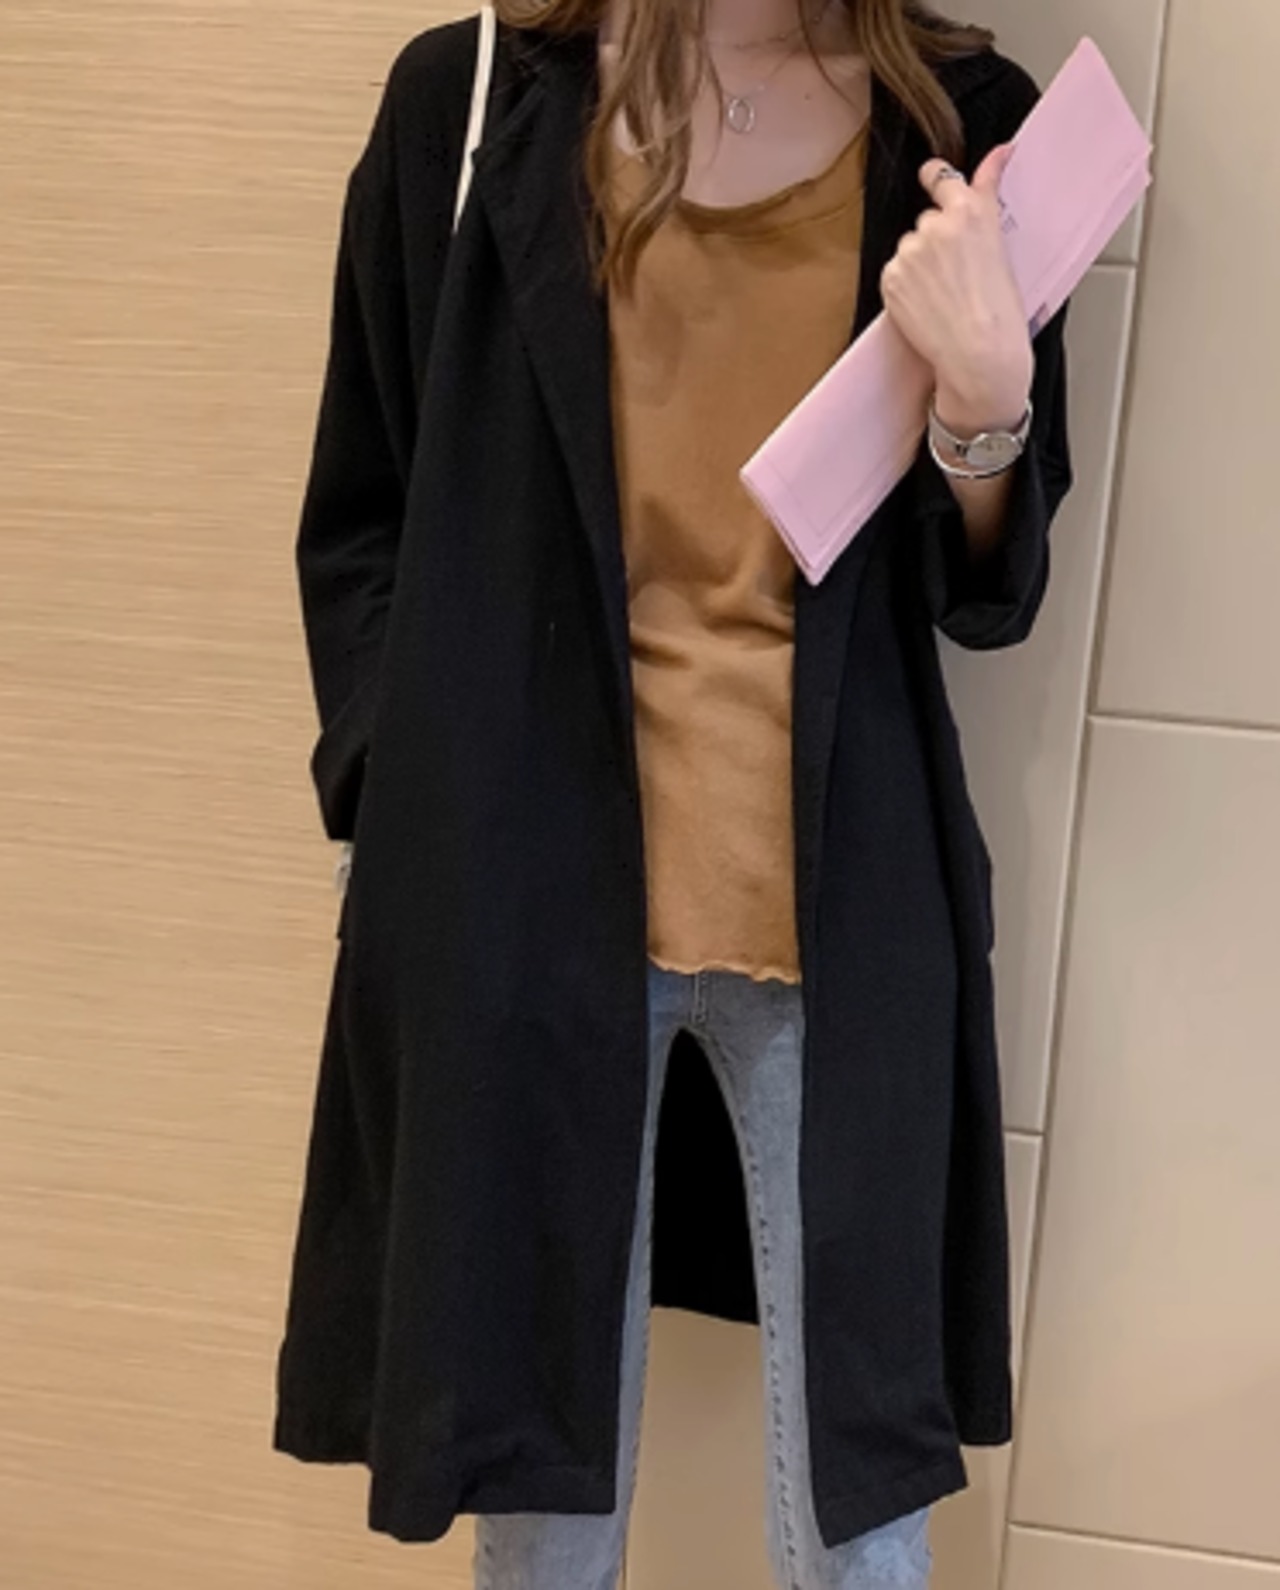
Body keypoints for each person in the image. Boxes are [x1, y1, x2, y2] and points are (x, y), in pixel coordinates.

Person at [273, 1, 1073, 1587]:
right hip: (523, 897)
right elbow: (363, 511)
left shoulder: (968, 126)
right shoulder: (473, 98)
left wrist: (988, 392)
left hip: (840, 895)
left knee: (862, 1509)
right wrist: (398, 794)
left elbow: (984, 595)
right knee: (537, 1488)